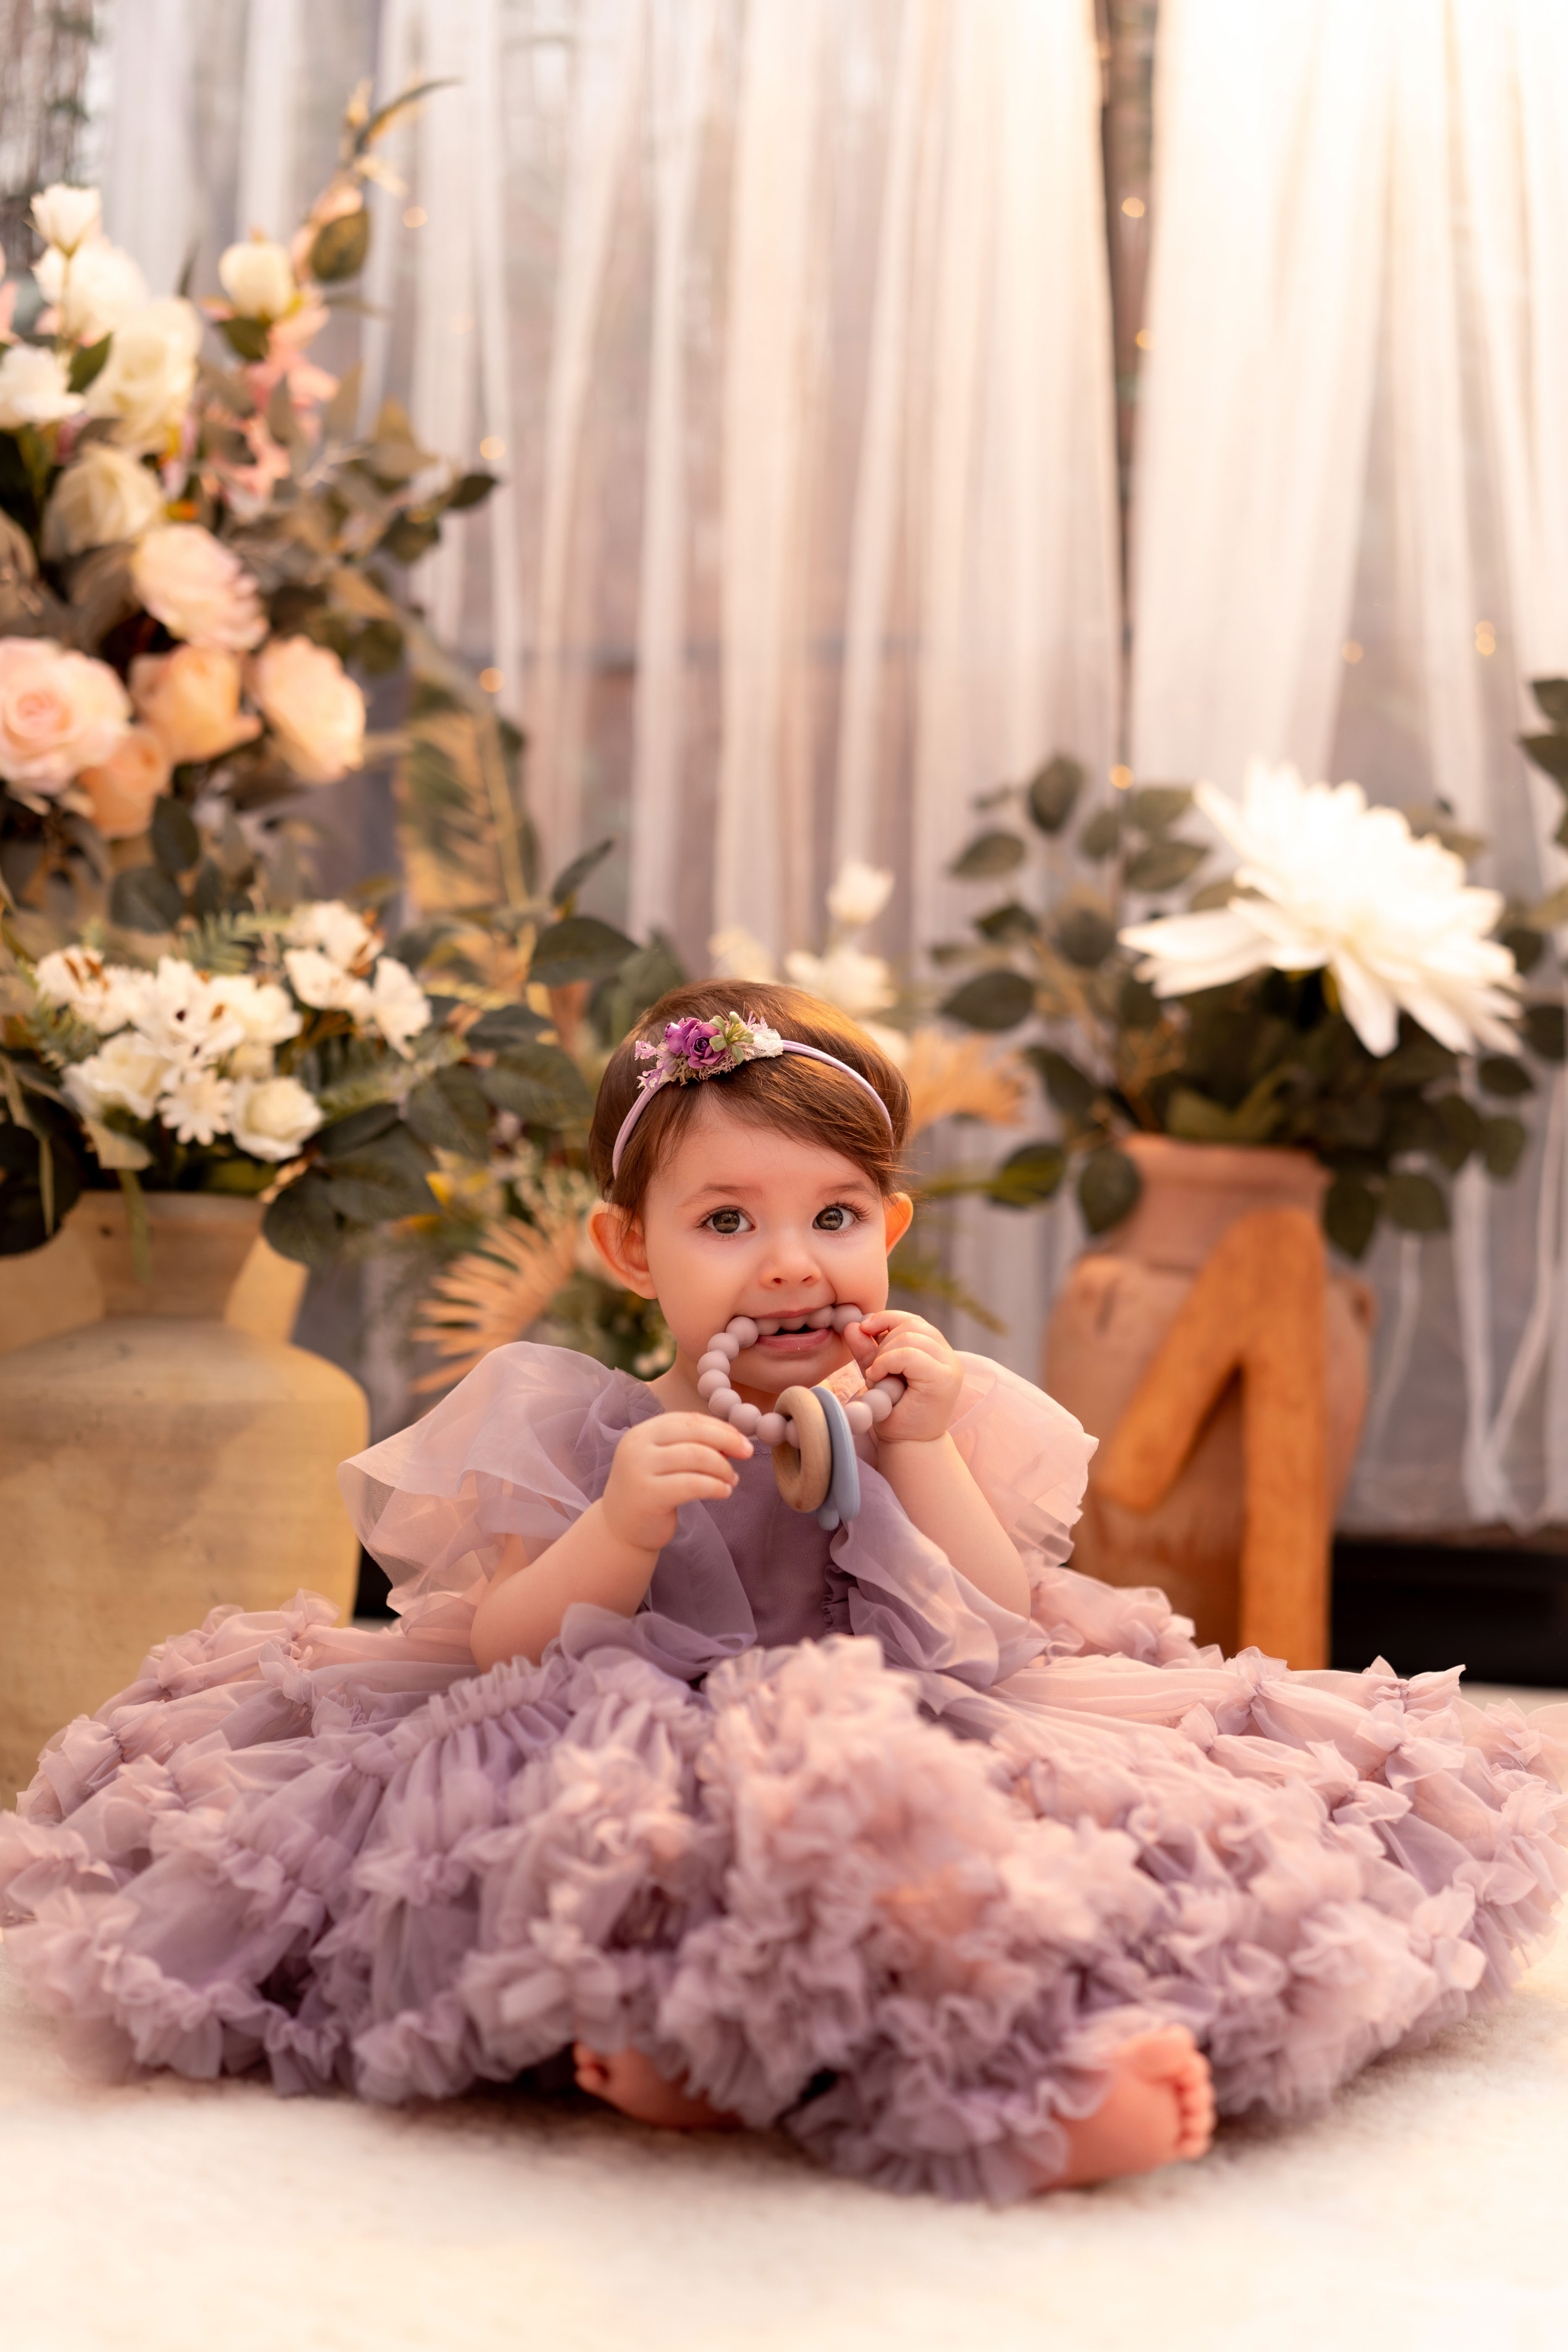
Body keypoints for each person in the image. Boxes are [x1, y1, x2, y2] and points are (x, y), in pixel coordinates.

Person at [1, 982, 1562, 2203]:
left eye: (831, 1217)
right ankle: (708, 2046)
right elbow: (493, 1646)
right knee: (591, 1862)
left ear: (888, 1227)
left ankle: (1029, 2076)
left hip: (908, 1720)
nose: (791, 1264)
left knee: (994, 1863)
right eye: (726, 1222)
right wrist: (618, 1529)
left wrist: (924, 1450)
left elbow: (1005, 1612)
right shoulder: (582, 1425)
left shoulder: (921, 1404)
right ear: (631, 1248)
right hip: (625, 1733)